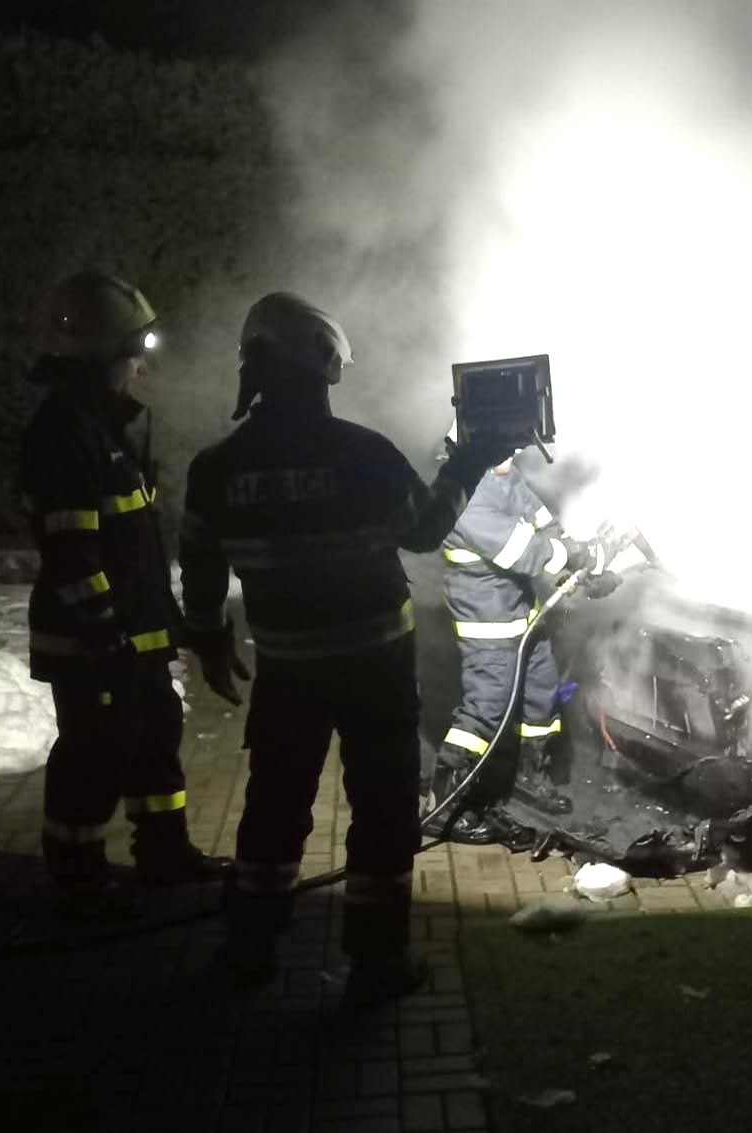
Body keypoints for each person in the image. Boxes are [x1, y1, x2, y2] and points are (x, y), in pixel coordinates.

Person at [179, 292, 511, 1000]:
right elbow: (425, 529)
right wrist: (471, 462)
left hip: (286, 671)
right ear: (326, 366)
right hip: (374, 669)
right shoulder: (364, 455)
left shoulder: (216, 468)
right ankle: (377, 962)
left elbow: (200, 567)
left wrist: (209, 641)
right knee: (383, 810)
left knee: (274, 806)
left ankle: (248, 949)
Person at [21, 270, 228, 912]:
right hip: (94, 640)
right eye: (134, 347)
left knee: (154, 738)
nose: (141, 363)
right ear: (103, 353)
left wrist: (164, 624)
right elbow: (71, 548)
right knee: (94, 753)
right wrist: (103, 630)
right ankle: (78, 877)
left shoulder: (102, 425)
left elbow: (128, 544)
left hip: (131, 633)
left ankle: (164, 855)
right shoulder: (67, 431)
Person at [422, 440, 619, 846]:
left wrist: (581, 562)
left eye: (511, 448)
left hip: (522, 612)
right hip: (487, 620)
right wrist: (582, 557)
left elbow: (544, 526)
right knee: (486, 708)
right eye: (500, 447)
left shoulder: (507, 479)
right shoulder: (464, 496)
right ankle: (444, 802)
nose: (509, 456)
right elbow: (523, 551)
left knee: (542, 693)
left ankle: (532, 774)